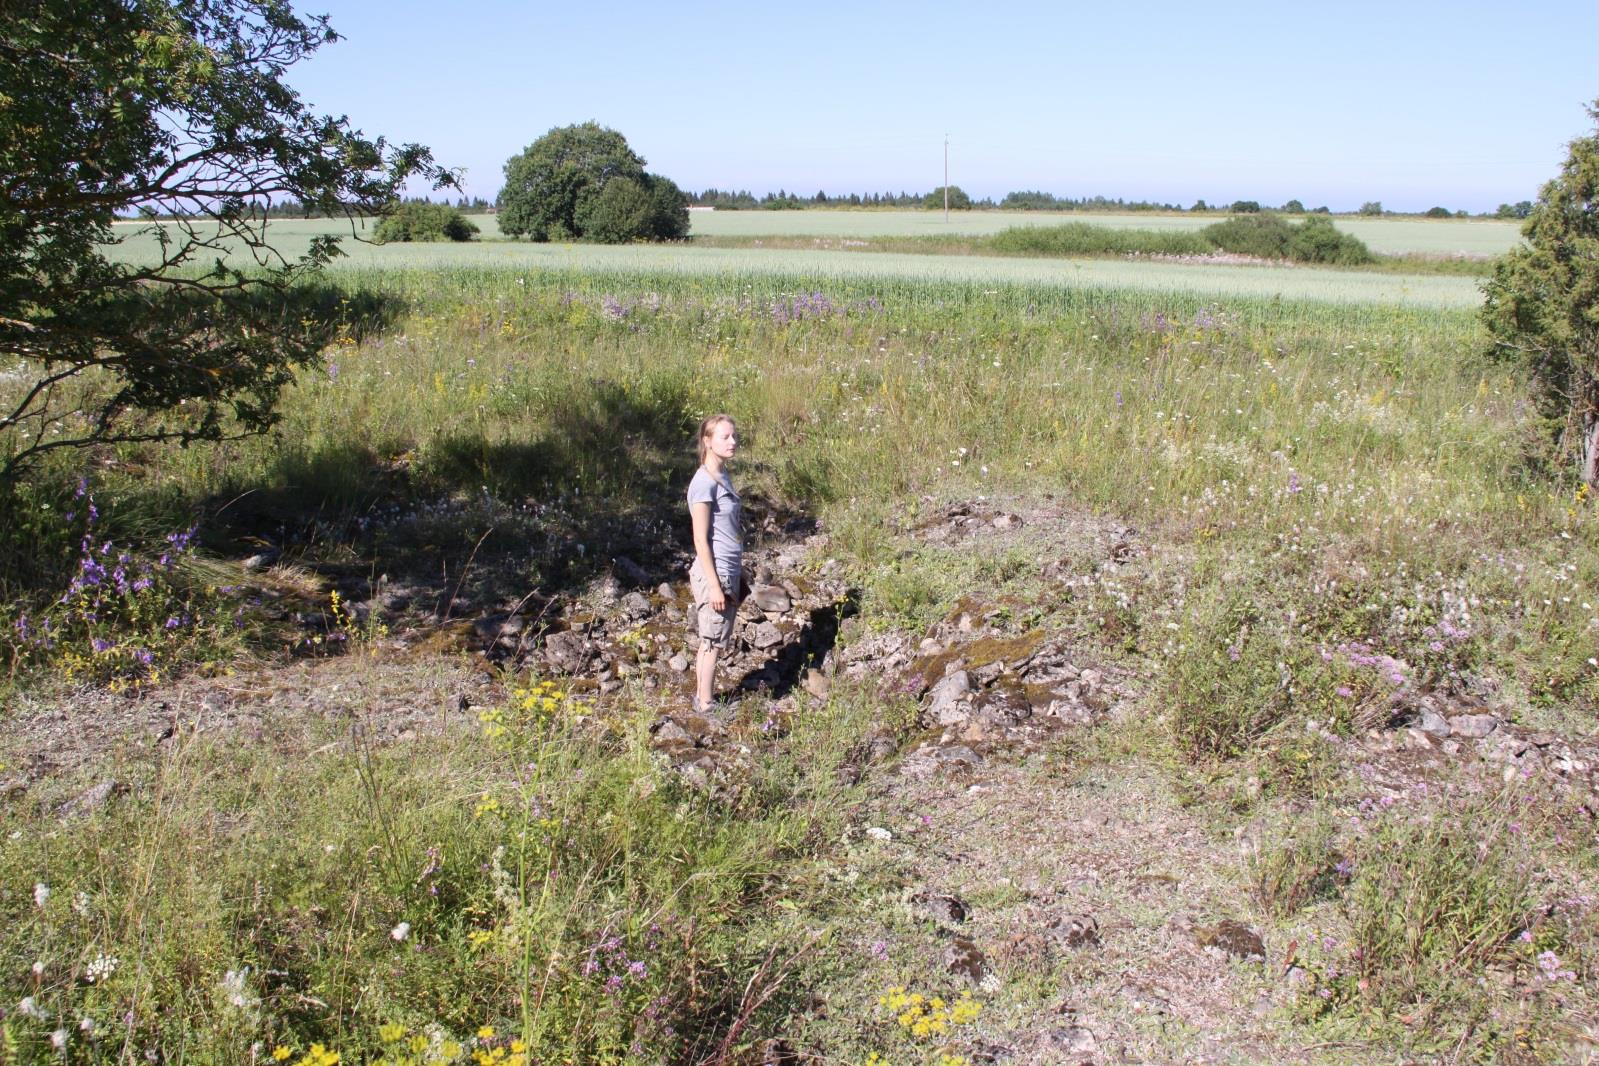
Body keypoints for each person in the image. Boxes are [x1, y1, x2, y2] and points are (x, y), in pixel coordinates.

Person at [687, 413, 743, 712]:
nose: (733, 441)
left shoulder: (722, 475)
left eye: (734, 435)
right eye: (725, 436)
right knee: (712, 640)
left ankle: (702, 696)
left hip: (728, 568)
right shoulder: (703, 483)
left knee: (714, 638)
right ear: (707, 441)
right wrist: (715, 586)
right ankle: (706, 704)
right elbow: (700, 540)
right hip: (716, 571)